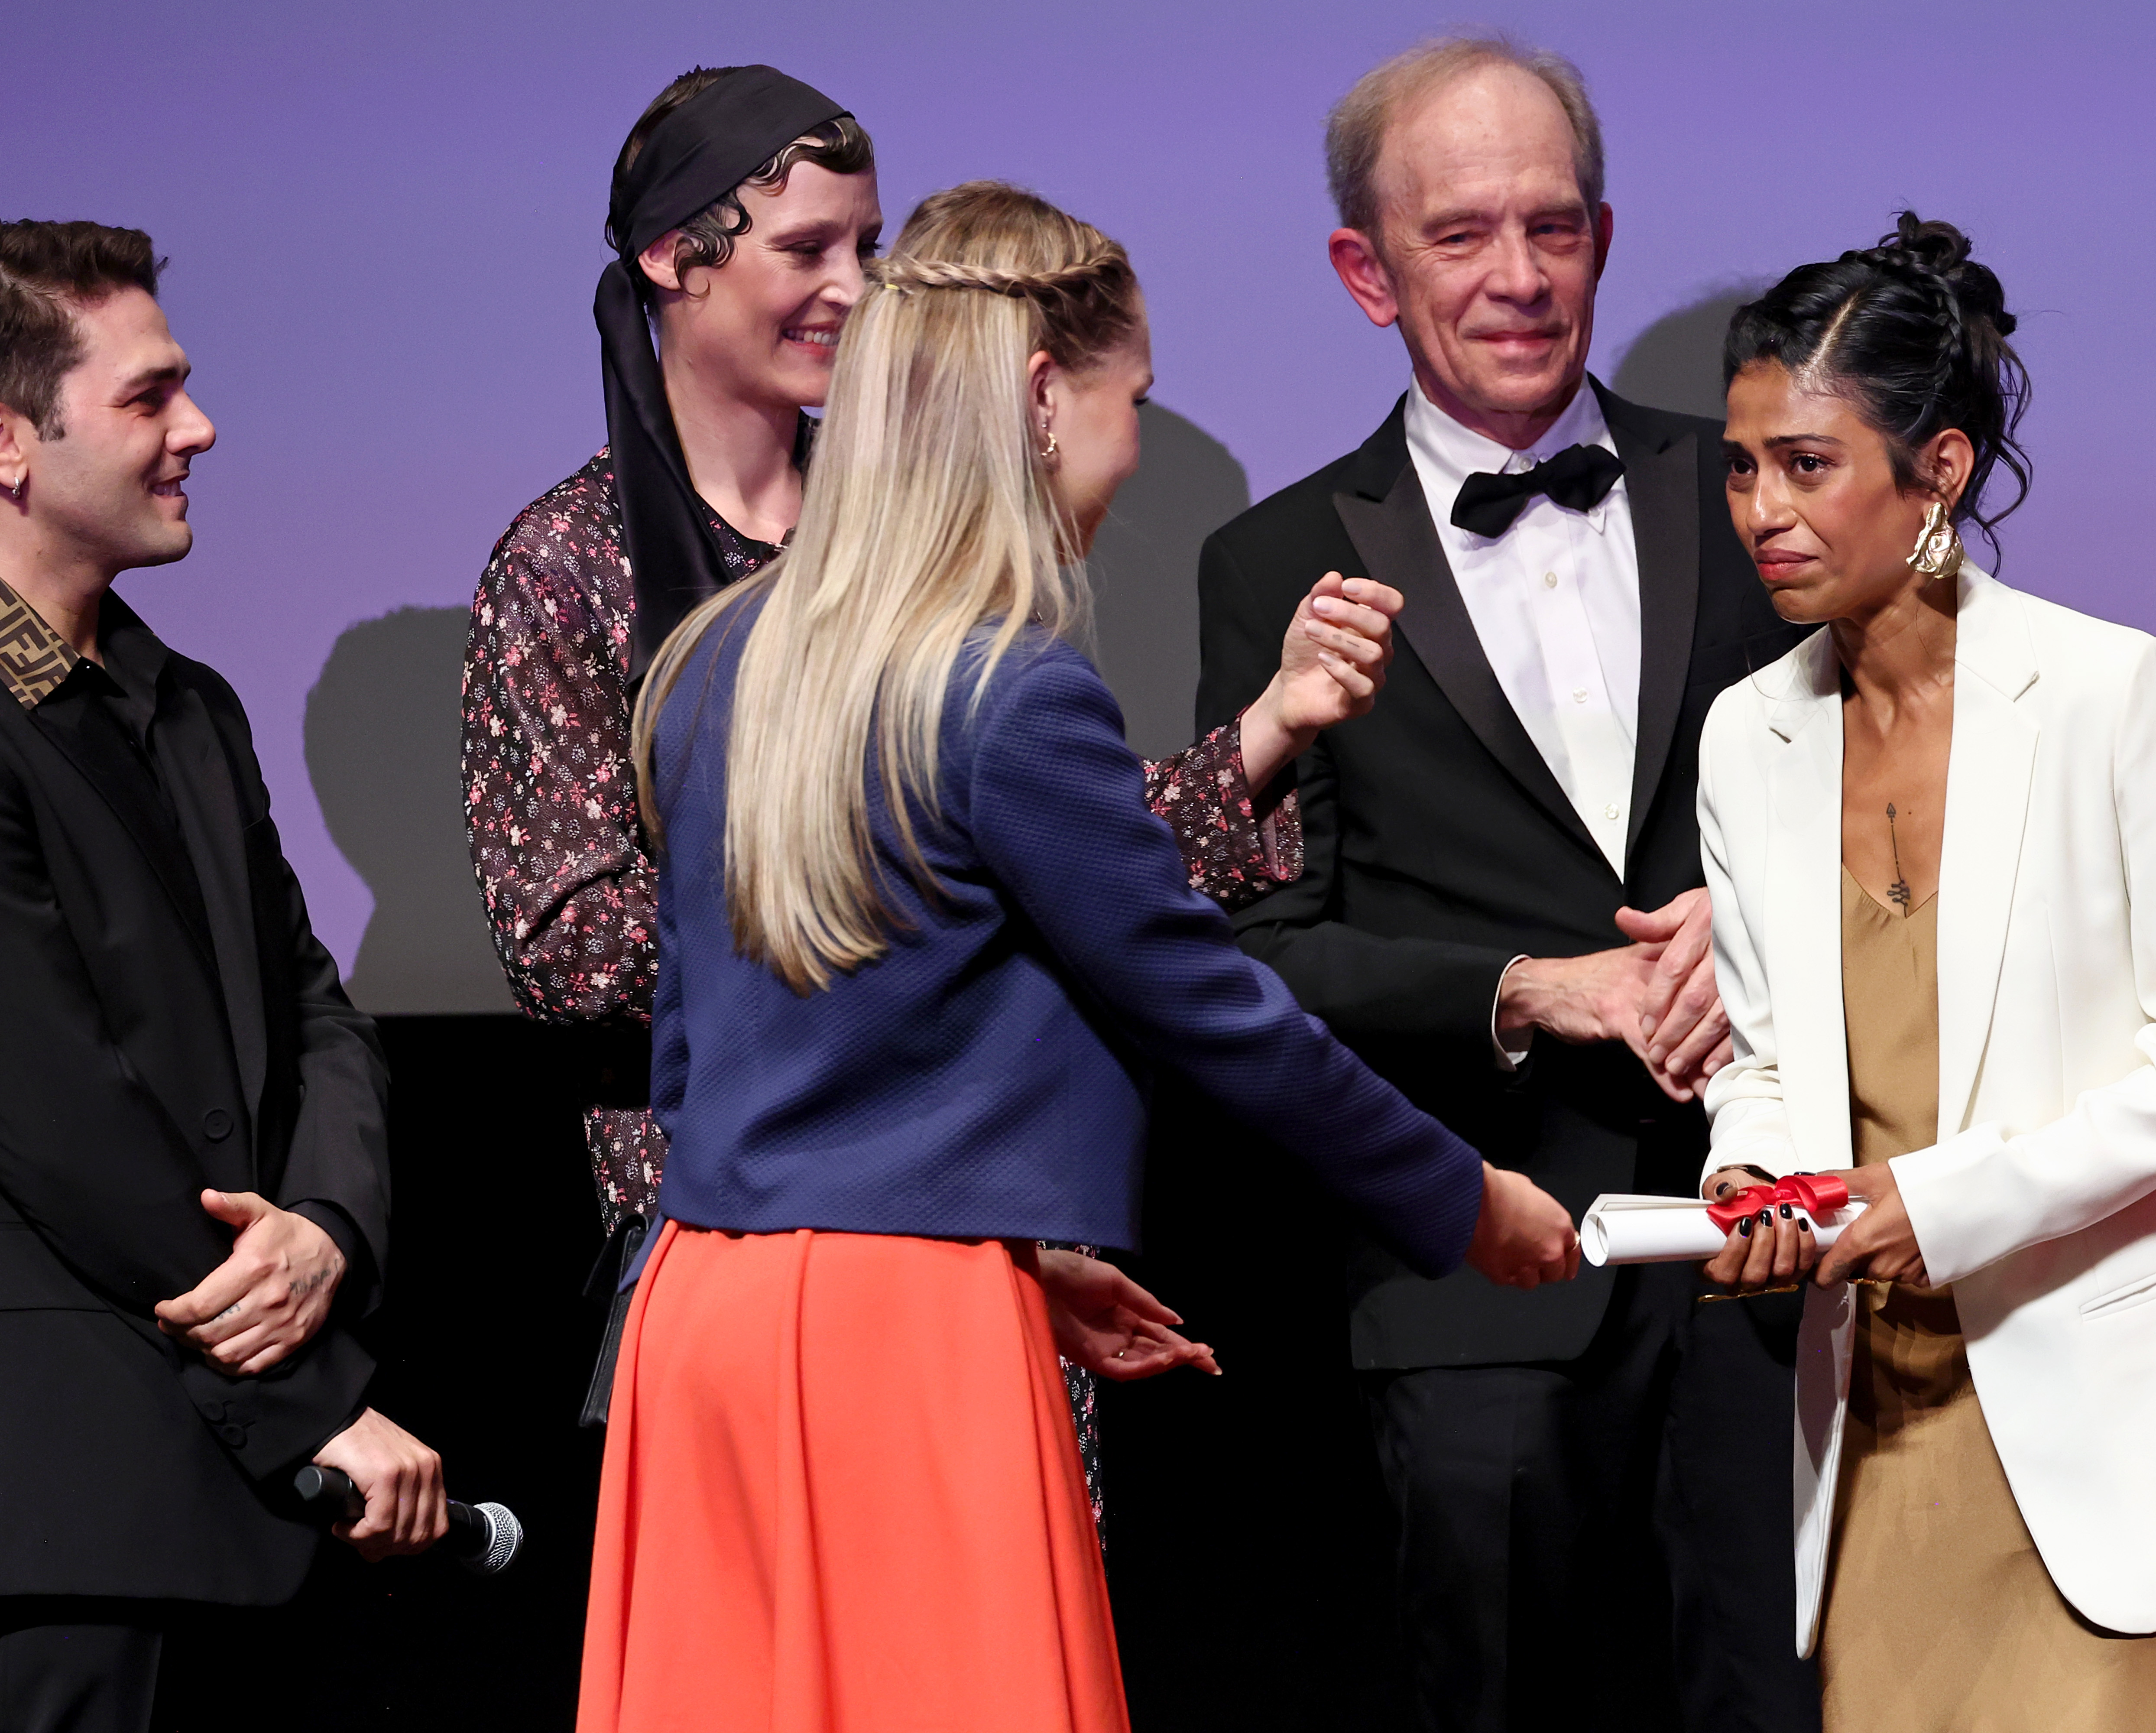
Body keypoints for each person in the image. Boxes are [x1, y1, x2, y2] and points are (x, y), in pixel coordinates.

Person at [576, 179, 1578, 1733]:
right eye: (1137, 405)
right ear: (1045, 396)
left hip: (700, 1323)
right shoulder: (1006, 693)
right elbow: (1214, 1010)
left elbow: (715, 1056)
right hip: (894, 1347)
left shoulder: (726, 661)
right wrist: (1468, 1201)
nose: (1136, 446)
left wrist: (1011, 1247)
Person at [461, 66, 1410, 1480]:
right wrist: (874, 925)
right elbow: (562, 949)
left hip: (982, 1213)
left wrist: (1270, 725)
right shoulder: (568, 570)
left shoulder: (912, 516)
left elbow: (1052, 843)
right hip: (739, 1234)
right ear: (674, 260)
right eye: (806, 250)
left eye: (869, 248)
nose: (854, 288)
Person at [1189, 36, 1812, 1730]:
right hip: (1475, 1274)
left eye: (1555, 227)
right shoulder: (1271, 565)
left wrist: (1758, 929)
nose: (1523, 278)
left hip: (1780, 1253)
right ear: (1364, 271)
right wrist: (1541, 988)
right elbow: (1257, 954)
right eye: (1464, 234)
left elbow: (1911, 822)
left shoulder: (1763, 493)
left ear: (1606, 236)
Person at [1696, 214, 2156, 1731]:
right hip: (1890, 1415)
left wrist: (1947, 1200)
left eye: (1807, 464)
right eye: (1742, 468)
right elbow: (1766, 1055)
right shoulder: (1751, 733)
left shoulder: (2110, 690)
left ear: (1939, 470)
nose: (1761, 511)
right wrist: (1753, 1182)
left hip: (2119, 1407)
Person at [0, 220, 445, 1731]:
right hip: (56, 1515)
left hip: (238, 1509)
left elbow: (315, 1009)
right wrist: (314, 1404)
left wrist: (323, 1228)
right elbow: (57, 1120)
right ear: (9, 440)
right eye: (150, 397)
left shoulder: (191, 707)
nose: (199, 428)